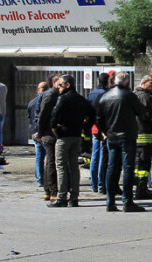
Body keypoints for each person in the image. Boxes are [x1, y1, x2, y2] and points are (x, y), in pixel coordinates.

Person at [97, 72, 152, 212]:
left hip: (111, 137)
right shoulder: (129, 96)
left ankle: (110, 202)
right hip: (127, 136)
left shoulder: (105, 96)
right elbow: (143, 113)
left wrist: (105, 132)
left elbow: (98, 119)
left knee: (112, 168)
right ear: (126, 82)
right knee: (128, 168)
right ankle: (127, 201)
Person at [49, 75, 95, 207]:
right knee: (74, 166)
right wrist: (84, 128)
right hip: (76, 135)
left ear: (67, 85)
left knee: (61, 166)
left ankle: (62, 197)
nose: (58, 88)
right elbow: (92, 114)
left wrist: (54, 128)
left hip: (64, 135)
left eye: (60, 85)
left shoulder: (63, 98)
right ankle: (74, 197)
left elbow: (54, 114)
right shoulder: (81, 99)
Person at [35, 73, 61, 202]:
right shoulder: (52, 95)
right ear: (53, 83)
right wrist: (40, 132)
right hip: (49, 133)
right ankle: (52, 191)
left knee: (49, 161)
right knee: (52, 162)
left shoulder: (54, 95)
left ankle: (48, 190)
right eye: (58, 82)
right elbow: (42, 114)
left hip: (48, 132)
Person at [88, 72, 109, 193]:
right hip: (103, 129)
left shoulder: (91, 94)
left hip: (94, 128)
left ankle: (94, 184)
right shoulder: (106, 94)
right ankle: (101, 184)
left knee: (94, 156)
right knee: (103, 156)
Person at [27, 81, 49, 186]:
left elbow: (30, 118)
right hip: (45, 133)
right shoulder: (48, 101)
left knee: (39, 156)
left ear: (38, 89)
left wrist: (34, 131)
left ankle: (40, 179)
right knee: (49, 156)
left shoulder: (32, 102)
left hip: (35, 133)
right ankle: (49, 178)